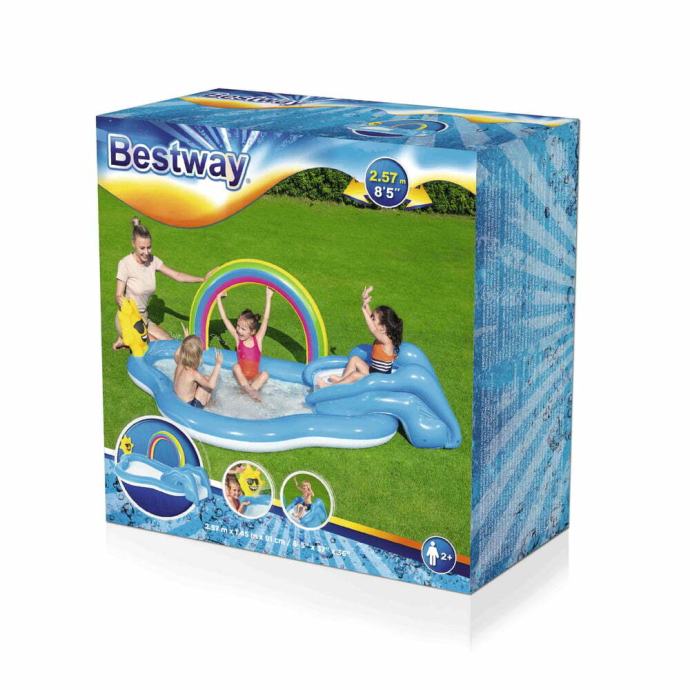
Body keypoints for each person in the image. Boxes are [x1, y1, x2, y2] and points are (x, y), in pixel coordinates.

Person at [113, 217, 208, 350]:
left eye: (149, 247)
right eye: (142, 248)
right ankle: (125, 338)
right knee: (158, 348)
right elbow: (118, 295)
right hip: (128, 320)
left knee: (170, 343)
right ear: (133, 244)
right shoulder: (125, 264)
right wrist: (126, 307)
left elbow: (177, 276)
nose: (146, 252)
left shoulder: (153, 261)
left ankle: (126, 340)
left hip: (143, 318)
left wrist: (202, 279)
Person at [318, 286, 403, 387]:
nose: (371, 320)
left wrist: (363, 309)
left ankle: (329, 387)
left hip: (379, 379)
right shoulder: (383, 332)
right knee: (354, 359)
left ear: (383, 327)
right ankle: (342, 379)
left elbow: (373, 329)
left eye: (374, 319)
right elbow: (371, 318)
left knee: (355, 375)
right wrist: (365, 302)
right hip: (372, 372)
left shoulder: (386, 340)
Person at [215, 287, 273, 401]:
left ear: (252, 331)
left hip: (254, 380)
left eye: (243, 329)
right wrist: (218, 299)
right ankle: (250, 391)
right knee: (236, 367)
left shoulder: (258, 340)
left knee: (265, 374)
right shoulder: (238, 340)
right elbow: (225, 319)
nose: (239, 330)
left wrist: (268, 296)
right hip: (242, 380)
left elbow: (265, 319)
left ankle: (249, 390)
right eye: (238, 326)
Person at [173, 335, 222, 408]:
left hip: (177, 399)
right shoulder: (193, 373)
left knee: (205, 378)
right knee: (207, 385)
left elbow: (176, 354)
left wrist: (184, 342)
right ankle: (211, 406)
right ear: (198, 356)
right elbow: (211, 385)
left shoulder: (180, 363)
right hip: (190, 407)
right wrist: (218, 364)